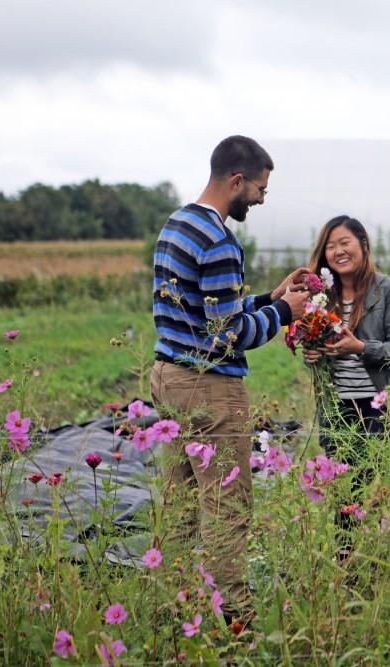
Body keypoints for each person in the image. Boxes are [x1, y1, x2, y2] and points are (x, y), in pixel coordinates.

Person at [149, 135, 310, 624]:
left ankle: (165, 611)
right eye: (259, 189)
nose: (260, 199)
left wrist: (269, 295)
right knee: (226, 507)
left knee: (178, 504)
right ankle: (235, 620)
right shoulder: (219, 240)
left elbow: (208, 311)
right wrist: (284, 312)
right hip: (210, 389)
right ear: (236, 180)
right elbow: (227, 335)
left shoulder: (178, 223)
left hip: (169, 377)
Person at [302, 215, 390, 557]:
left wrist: (361, 348)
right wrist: (311, 353)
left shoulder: (389, 291)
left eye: (344, 243)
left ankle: (381, 561)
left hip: (380, 408)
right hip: (338, 409)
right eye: (330, 246)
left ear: (363, 245)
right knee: (343, 494)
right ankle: (347, 566)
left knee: (380, 492)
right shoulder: (322, 295)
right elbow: (313, 343)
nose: (338, 251)